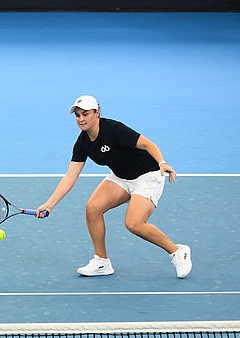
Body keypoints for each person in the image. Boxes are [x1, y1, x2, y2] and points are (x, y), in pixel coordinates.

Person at [36, 95, 192, 278]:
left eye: (85, 114)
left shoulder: (114, 129)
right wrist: (49, 204)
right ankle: (102, 262)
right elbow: (70, 177)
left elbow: (146, 143)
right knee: (93, 208)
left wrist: (162, 162)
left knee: (134, 224)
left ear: (97, 113)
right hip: (121, 177)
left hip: (148, 175)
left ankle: (177, 251)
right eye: (77, 115)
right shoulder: (82, 143)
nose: (81, 119)